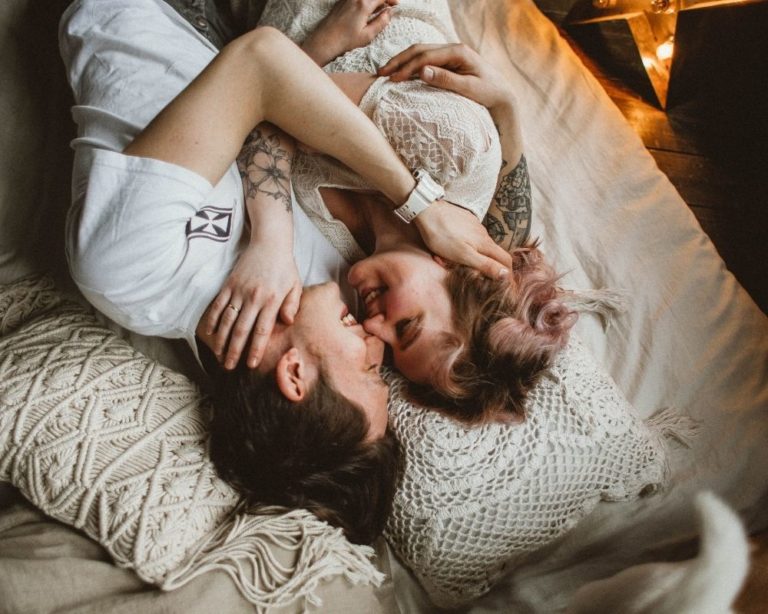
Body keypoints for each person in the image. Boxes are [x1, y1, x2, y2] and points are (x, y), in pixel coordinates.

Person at [59, 0, 509, 542]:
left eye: (368, 372)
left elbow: (258, 66)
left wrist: (273, 239)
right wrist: (508, 109)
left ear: (294, 375)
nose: (375, 345)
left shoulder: (133, 273)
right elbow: (492, 241)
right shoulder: (332, 288)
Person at [206, 0, 577, 423]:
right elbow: (269, 87)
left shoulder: (344, 265)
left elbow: (252, 114)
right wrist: (419, 205)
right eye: (406, 328)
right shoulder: (456, 147)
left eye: (392, 353)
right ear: (459, 267)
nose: (374, 332)